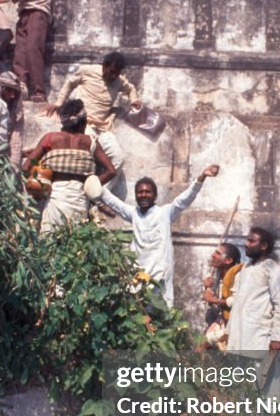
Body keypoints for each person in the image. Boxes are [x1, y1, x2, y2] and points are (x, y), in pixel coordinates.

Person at [95, 166, 220, 307]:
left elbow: (184, 199)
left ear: (155, 195)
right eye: (139, 192)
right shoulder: (133, 213)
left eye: (147, 192)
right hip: (138, 275)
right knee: (137, 313)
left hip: (160, 275)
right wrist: (91, 179)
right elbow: (112, 201)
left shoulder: (165, 213)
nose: (143, 195)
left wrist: (201, 177)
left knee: (162, 313)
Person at [23, 100, 116, 232]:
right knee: (75, 242)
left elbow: (26, 167)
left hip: (55, 196)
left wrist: (38, 180)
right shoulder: (90, 142)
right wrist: (91, 184)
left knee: (50, 241)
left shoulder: (50, 138)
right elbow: (111, 171)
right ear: (83, 121)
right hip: (79, 197)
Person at [47, 52, 141, 180]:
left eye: (117, 73)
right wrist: (59, 103)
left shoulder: (119, 81)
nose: (113, 75)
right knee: (86, 158)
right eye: (111, 71)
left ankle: (98, 192)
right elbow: (69, 83)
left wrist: (134, 100)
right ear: (104, 66)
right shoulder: (87, 71)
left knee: (119, 158)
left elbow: (130, 89)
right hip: (84, 125)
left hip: (103, 127)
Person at [226, 228, 280, 352]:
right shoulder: (245, 269)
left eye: (251, 241)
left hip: (258, 337)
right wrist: (228, 331)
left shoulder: (272, 269)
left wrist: (278, 338)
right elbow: (237, 303)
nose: (246, 244)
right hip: (237, 336)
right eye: (247, 240)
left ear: (263, 246)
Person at [202, 243, 243, 347]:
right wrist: (207, 288)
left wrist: (214, 300)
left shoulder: (238, 276)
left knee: (202, 346)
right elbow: (212, 305)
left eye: (218, 253)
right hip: (221, 322)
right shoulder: (215, 275)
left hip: (236, 325)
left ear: (228, 260)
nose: (213, 255)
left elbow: (238, 301)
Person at [0, 70, 25, 176]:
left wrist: (14, 167)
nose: (12, 96)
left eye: (15, 92)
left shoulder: (16, 110)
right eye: (9, 90)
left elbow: (16, 140)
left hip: (4, 153)